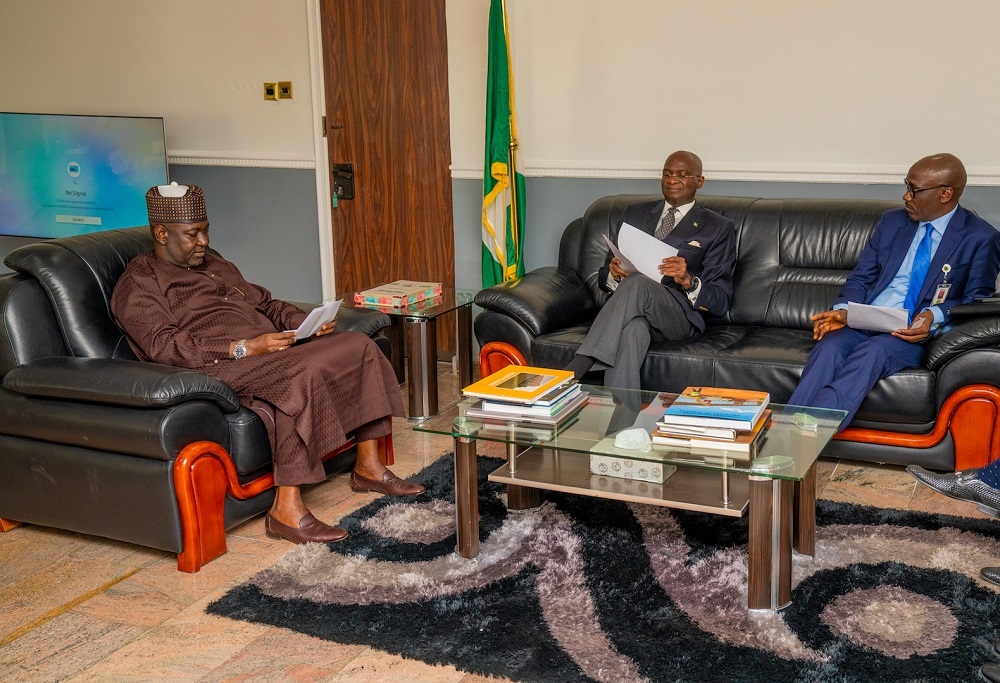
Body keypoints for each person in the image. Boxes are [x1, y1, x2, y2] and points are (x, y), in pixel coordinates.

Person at [110, 182, 424, 545]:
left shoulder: (215, 264)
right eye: (192, 234)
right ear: (162, 234)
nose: (203, 242)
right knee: (297, 375)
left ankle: (368, 467)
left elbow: (266, 303)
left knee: (359, 345)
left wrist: (301, 322)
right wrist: (243, 347)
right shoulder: (139, 282)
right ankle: (285, 512)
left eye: (206, 230)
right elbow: (165, 347)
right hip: (216, 364)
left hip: (265, 351)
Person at [788, 153, 1000, 427]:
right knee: (829, 346)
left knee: (874, 352)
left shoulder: (981, 237)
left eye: (913, 189)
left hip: (908, 333)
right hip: (864, 319)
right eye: (906, 185)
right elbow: (861, 278)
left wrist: (933, 315)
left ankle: (810, 427)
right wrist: (843, 311)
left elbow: (977, 301)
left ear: (945, 194)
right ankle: (789, 425)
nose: (905, 196)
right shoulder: (892, 222)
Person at [564, 151, 737, 391]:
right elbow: (605, 274)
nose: (672, 179)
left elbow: (720, 300)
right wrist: (614, 273)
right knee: (633, 331)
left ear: (700, 181)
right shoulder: (634, 214)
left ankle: (580, 363)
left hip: (678, 317)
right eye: (667, 174)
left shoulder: (718, 227)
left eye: (682, 174)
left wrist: (688, 280)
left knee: (637, 283)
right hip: (632, 312)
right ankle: (622, 417)